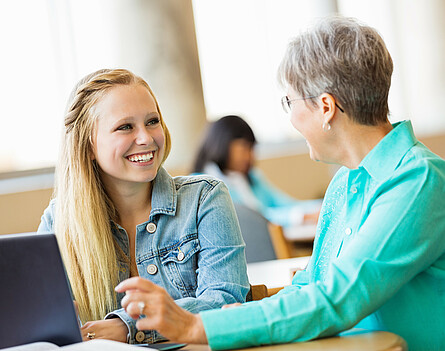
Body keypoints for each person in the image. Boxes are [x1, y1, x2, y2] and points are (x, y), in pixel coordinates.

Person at [116, 16, 445, 350]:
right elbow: (311, 284)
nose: (290, 117)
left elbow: (337, 299)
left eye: (290, 101)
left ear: (326, 107)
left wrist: (198, 325)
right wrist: (243, 316)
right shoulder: (346, 180)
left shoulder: (419, 182)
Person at [37, 68, 249, 344]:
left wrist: (128, 328)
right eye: (125, 127)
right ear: (87, 145)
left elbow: (224, 302)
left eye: (152, 121)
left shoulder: (204, 199)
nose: (146, 138)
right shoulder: (58, 222)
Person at [192, 115, 321, 227]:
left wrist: (321, 206)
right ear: (222, 145)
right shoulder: (204, 187)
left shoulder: (251, 177)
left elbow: (284, 203)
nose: (249, 156)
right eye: (244, 148)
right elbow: (256, 220)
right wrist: (302, 217)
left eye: (251, 148)